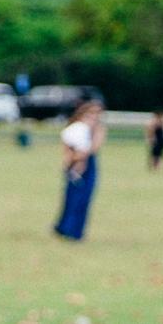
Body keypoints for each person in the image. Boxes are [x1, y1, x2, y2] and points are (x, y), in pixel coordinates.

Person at [54, 99, 105, 241]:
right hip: (78, 163)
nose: (95, 117)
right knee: (74, 198)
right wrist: (74, 159)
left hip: (84, 161)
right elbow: (73, 147)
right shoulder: (79, 128)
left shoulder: (95, 129)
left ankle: (70, 229)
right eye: (92, 113)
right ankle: (68, 229)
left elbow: (93, 148)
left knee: (80, 198)